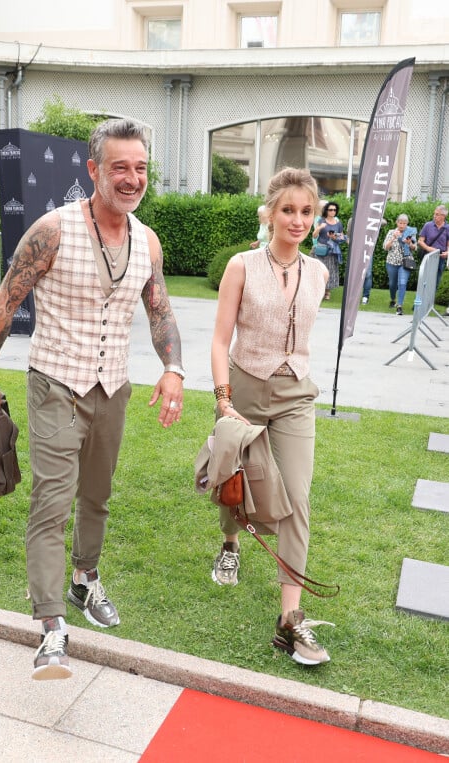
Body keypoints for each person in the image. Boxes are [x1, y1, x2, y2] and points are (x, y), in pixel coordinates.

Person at [0, 118, 185, 680]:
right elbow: (4, 304)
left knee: (98, 496)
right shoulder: (52, 230)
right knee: (52, 501)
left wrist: (173, 369)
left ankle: (86, 582)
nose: (132, 178)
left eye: (140, 167)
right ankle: (52, 627)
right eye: (120, 167)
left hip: (113, 386)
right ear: (93, 170)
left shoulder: (148, 240)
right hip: (56, 382)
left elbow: (159, 310)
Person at [210, 167, 334, 665]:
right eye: (288, 210)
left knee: (296, 496)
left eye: (306, 211)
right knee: (233, 481)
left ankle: (290, 619)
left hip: (295, 395)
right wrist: (223, 400)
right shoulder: (241, 265)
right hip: (241, 388)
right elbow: (221, 340)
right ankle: (229, 542)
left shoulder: (320, 273)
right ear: (270, 213)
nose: (298, 219)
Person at [383, 214, 417, 315]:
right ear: (397, 222)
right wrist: (393, 238)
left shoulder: (411, 232)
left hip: (405, 262)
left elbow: (415, 248)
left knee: (402, 283)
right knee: (393, 284)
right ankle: (393, 299)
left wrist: (409, 243)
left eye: (404, 223)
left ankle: (399, 306)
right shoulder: (391, 232)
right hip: (392, 262)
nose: (402, 225)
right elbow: (385, 247)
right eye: (400, 223)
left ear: (407, 224)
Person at [312, 201, 345, 301]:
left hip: (332, 250)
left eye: (334, 210)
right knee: (319, 271)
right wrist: (320, 228)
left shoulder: (338, 223)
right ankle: (319, 291)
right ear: (326, 210)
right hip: (321, 249)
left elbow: (342, 236)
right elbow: (314, 235)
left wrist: (334, 236)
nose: (333, 212)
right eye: (330, 210)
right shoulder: (321, 221)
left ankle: (327, 292)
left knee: (330, 270)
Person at [418, 205, 449, 291]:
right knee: (424, 279)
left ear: (443, 216)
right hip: (428, 256)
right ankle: (419, 302)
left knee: (436, 281)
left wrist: (447, 253)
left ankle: (429, 303)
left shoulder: (447, 228)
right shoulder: (428, 225)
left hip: (440, 258)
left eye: (437, 214)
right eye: (434, 214)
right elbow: (420, 241)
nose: (434, 216)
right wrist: (428, 248)